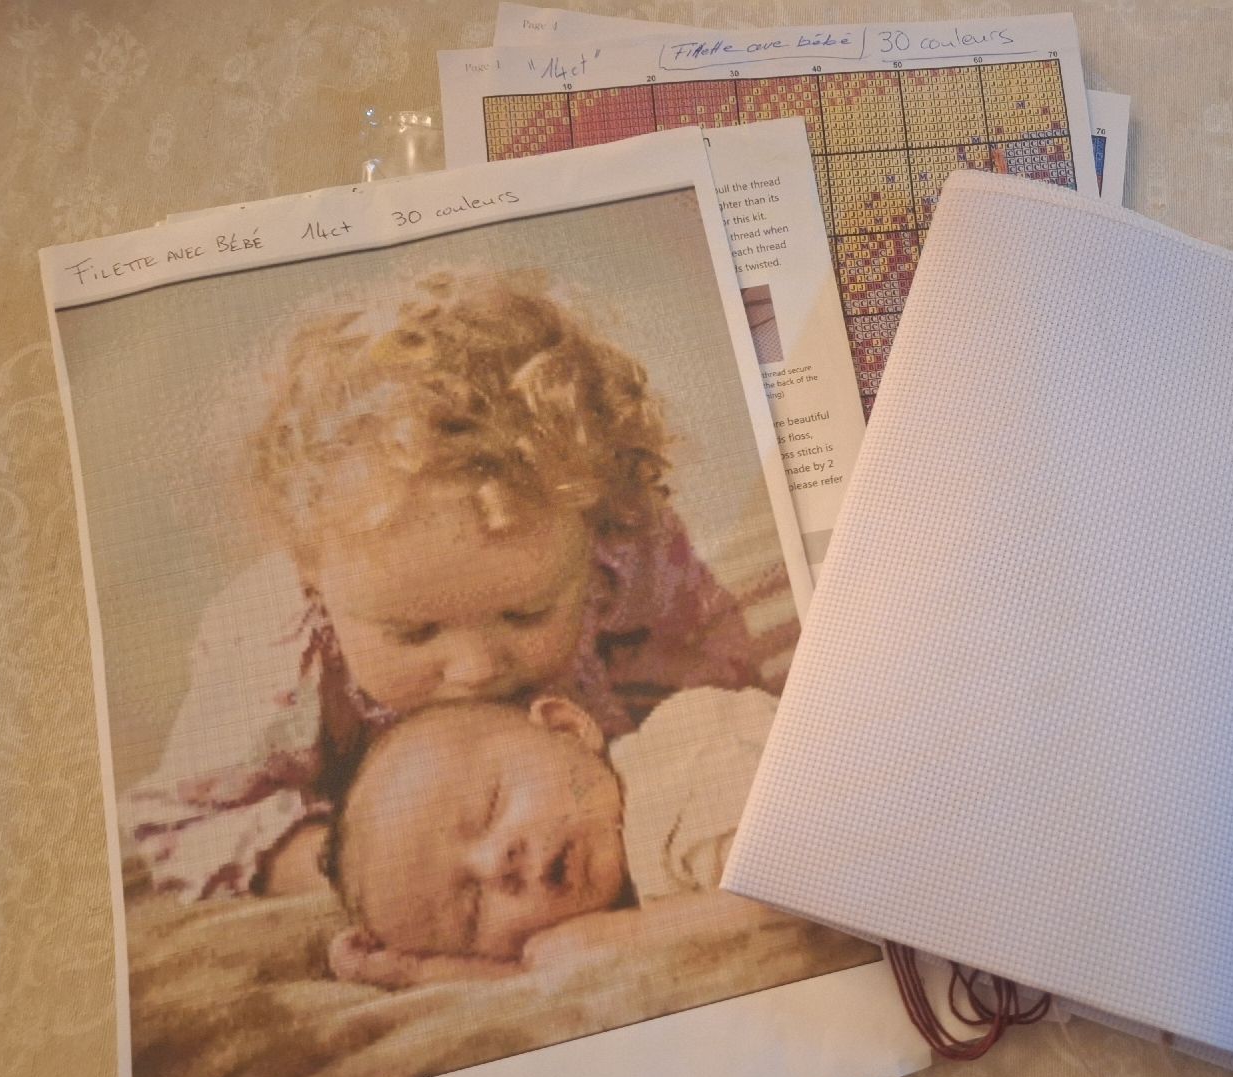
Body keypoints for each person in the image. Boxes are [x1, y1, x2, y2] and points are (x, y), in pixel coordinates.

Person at [122, 273, 769, 901]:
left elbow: (711, 683)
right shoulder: (275, 659)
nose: (476, 668)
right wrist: (361, 870)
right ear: (310, 571)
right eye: (415, 632)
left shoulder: (629, 554)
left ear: (595, 527)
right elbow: (181, 825)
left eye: (525, 614)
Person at [325, 688, 778, 987]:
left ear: (568, 730)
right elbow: (538, 969)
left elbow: (796, 882)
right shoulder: (616, 887)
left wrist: (630, 936)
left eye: (490, 807)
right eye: (472, 913)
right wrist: (415, 972)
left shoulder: (680, 773)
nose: (495, 865)